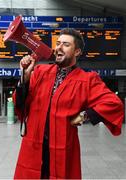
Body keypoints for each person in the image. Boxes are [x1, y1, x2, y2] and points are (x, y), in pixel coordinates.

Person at [13, 28, 124, 179]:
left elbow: (113, 103)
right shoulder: (40, 72)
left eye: (65, 44)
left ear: (77, 52)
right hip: (33, 147)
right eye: (58, 43)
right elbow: (21, 103)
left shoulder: (87, 80)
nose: (58, 47)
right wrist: (25, 78)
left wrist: (84, 116)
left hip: (62, 149)